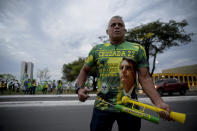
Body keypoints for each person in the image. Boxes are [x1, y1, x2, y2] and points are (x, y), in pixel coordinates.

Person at [75, 16, 172, 131]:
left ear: (125, 31)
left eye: (120, 25)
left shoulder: (137, 49)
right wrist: (79, 89)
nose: (116, 26)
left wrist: (158, 102)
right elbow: (84, 70)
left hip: (130, 107)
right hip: (102, 107)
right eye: (113, 25)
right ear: (107, 31)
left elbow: (145, 78)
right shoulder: (97, 50)